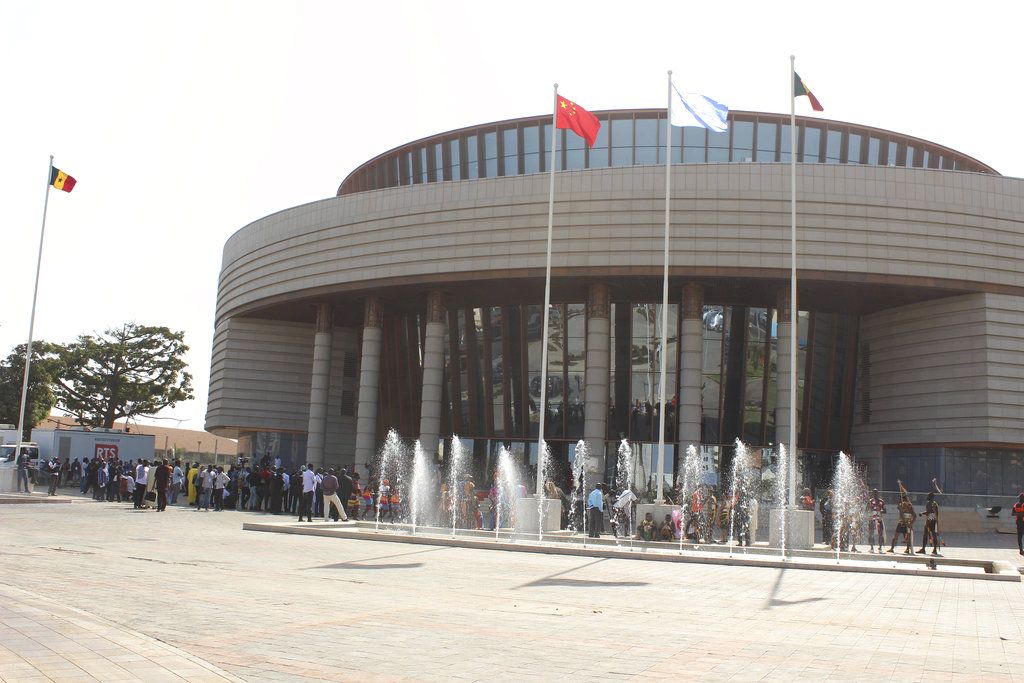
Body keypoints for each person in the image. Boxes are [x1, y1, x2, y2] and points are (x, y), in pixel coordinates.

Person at [888, 482, 916, 554]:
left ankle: (893, 548)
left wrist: (908, 523)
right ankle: (905, 549)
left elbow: (902, 513)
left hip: (903, 523)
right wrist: (911, 523)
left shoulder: (903, 505)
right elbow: (914, 515)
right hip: (906, 523)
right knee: (906, 536)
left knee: (899, 536)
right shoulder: (909, 505)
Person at [867, 489, 887, 553]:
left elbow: (885, 510)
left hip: (879, 519)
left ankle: (880, 548)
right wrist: (870, 510)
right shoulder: (870, 501)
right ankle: (872, 548)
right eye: (874, 493)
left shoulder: (881, 501)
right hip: (872, 519)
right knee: (871, 533)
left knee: (880, 534)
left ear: (878, 493)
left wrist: (881, 510)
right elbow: (866, 509)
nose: (875, 494)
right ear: (872, 493)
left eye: (876, 492)